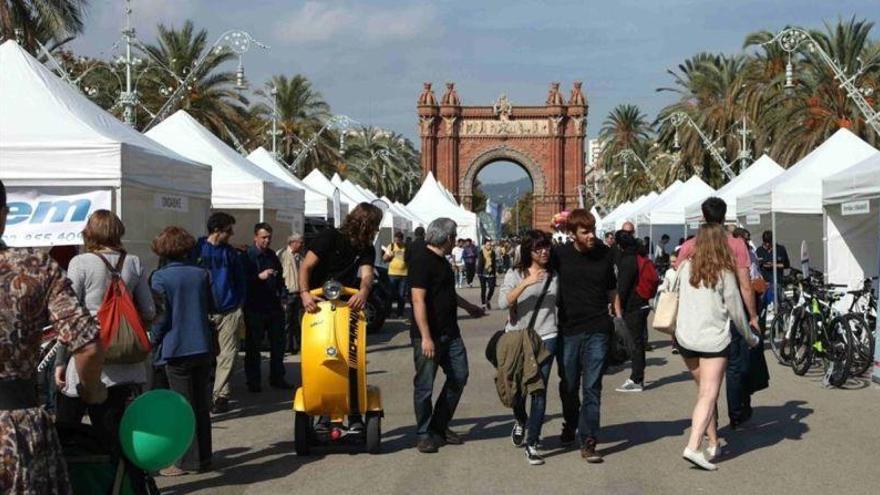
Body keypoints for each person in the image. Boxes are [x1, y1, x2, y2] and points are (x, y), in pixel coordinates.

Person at [0, 179, 106, 495]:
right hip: (14, 433)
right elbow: (87, 345)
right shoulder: (35, 268)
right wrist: (91, 391)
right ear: (4, 214)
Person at [55, 210, 155, 457]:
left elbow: (70, 315)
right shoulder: (133, 262)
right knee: (113, 432)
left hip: (87, 356)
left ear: (90, 232)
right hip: (125, 363)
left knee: (67, 427)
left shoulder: (80, 263)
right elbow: (150, 309)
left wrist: (60, 361)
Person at [675, 223, 759, 471]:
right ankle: (693, 446)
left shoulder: (685, 267)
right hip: (712, 339)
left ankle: (713, 442)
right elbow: (736, 311)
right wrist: (750, 337)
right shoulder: (724, 272)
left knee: (703, 392)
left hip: (686, 338)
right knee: (708, 394)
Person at [299, 203, 383, 430]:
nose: (375, 231)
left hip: (348, 307)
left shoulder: (366, 248)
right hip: (318, 306)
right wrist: (305, 294)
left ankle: (354, 413)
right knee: (322, 358)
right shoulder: (329, 237)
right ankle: (325, 414)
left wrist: (364, 292)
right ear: (365, 223)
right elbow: (306, 266)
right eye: (374, 226)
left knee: (352, 359)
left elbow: (366, 276)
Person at [409, 218, 485, 453]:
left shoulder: (442, 261)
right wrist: (426, 337)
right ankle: (423, 433)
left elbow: (447, 294)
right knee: (425, 386)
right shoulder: (422, 260)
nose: (454, 242)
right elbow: (417, 299)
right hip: (429, 336)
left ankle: (439, 426)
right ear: (449, 238)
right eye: (454, 238)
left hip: (451, 333)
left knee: (459, 376)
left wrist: (468, 307)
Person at [553, 209, 622, 463]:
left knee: (592, 387)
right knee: (569, 385)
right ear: (572, 234)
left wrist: (619, 318)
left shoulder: (605, 254)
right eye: (585, 232)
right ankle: (571, 422)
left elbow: (612, 289)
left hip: (598, 329)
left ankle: (589, 440)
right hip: (568, 330)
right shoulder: (559, 255)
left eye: (593, 230)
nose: (592, 235)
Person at [149, 226, 215, 475]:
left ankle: (187, 461)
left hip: (176, 348)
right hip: (202, 344)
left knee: (183, 406)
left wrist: (152, 342)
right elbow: (214, 305)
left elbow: (161, 318)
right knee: (200, 404)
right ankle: (204, 456)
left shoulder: (160, 277)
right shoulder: (201, 274)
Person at [497, 230, 558, 465]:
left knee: (539, 390)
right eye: (538, 249)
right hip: (519, 339)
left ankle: (532, 443)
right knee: (518, 392)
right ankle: (521, 420)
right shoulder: (515, 274)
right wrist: (526, 283)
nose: (544, 252)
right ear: (527, 251)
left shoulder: (555, 274)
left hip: (548, 337)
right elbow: (502, 303)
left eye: (546, 247)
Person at [193, 212, 247, 414]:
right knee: (206, 354)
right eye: (228, 230)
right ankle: (205, 391)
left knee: (228, 353)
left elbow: (240, 279)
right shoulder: (197, 249)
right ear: (217, 230)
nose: (231, 234)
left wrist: (239, 303)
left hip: (229, 310)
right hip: (203, 311)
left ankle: (220, 395)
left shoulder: (230, 253)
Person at [243, 222, 290, 392]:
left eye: (269, 237)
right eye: (263, 237)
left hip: (273, 306)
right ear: (256, 237)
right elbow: (243, 281)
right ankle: (253, 382)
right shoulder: (248, 256)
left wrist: (283, 297)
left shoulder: (271, 255)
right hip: (255, 306)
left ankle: (277, 377)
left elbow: (280, 280)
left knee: (278, 344)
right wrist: (258, 277)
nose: (267, 241)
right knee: (254, 346)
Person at [613, 230, 650, 393]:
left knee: (635, 343)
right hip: (642, 303)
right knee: (637, 342)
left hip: (633, 306)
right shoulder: (638, 255)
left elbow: (623, 287)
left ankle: (637, 379)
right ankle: (637, 376)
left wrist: (616, 306)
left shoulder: (628, 260)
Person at [277, 233, 304, 353]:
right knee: (286, 322)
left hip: (298, 293)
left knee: (297, 321)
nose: (302, 244)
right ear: (293, 243)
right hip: (287, 293)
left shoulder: (300, 257)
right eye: (300, 242)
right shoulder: (282, 254)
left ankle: (297, 346)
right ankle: (286, 347)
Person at [755, 230, 790, 298]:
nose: (767, 244)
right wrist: (759, 263)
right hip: (763, 283)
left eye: (769, 242)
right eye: (765, 242)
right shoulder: (759, 250)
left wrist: (774, 265)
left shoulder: (780, 249)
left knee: (776, 302)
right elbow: (755, 266)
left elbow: (786, 265)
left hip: (777, 282)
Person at [384, 231, 408, 318]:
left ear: (402, 239)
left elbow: (409, 259)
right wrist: (390, 255)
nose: (397, 242)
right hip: (392, 274)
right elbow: (384, 259)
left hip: (404, 274)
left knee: (401, 295)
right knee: (390, 294)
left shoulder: (406, 247)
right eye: (395, 240)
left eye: (399, 240)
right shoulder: (391, 246)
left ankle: (400, 313)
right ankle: (388, 313)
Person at [477, 238, 498, 310]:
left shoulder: (493, 252)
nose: (489, 246)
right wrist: (478, 272)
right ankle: (483, 305)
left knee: (492, 288)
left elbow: (494, 263)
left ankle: (487, 300)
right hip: (482, 272)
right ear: (485, 245)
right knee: (483, 289)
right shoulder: (481, 252)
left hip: (491, 272)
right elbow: (479, 263)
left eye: (490, 245)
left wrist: (495, 272)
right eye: (488, 245)